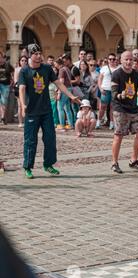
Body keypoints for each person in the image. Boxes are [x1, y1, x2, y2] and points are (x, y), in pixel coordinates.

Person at [18, 43, 81, 179]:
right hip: (32, 111)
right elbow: (22, 89)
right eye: (35, 54)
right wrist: (23, 105)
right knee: (30, 140)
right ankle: (28, 167)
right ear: (29, 55)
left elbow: (59, 83)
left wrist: (71, 96)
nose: (39, 56)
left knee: (50, 138)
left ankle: (48, 165)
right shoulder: (24, 71)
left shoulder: (46, 69)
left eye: (40, 53)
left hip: (46, 111)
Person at [97, 53, 118, 130]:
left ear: (116, 60)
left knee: (112, 108)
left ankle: (112, 123)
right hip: (105, 89)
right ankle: (98, 122)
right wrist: (100, 88)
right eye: (110, 59)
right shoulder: (104, 68)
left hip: (114, 90)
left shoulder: (118, 68)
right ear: (108, 60)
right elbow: (100, 79)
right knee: (102, 107)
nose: (112, 60)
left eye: (113, 59)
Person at [14, 55, 29, 128]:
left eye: (25, 60)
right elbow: (15, 80)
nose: (24, 62)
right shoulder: (17, 69)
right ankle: (20, 122)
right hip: (19, 89)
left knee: (27, 105)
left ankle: (27, 121)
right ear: (20, 61)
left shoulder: (29, 69)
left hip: (28, 90)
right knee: (20, 106)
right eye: (22, 60)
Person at [0, 51, 14, 125]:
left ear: (2, 57)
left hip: (5, 85)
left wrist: (12, 81)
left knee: (3, 101)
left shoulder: (7, 65)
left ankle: (3, 117)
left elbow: (13, 72)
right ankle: (2, 117)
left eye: (0, 57)